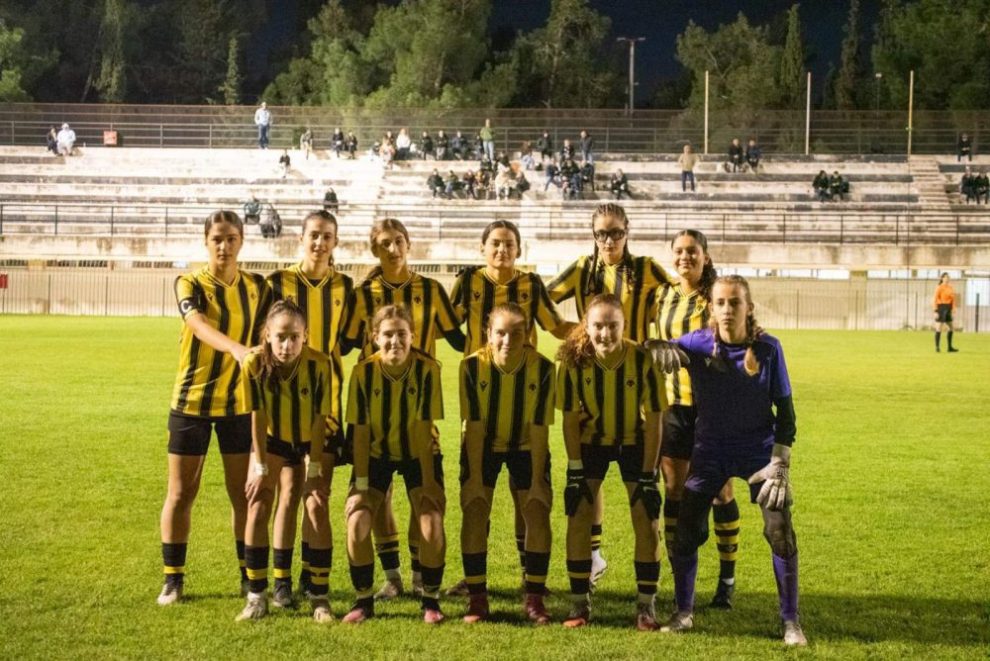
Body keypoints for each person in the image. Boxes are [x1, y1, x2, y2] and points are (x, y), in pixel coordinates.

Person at [656, 274, 806, 647]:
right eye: (720, 302)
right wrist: (654, 346)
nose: (727, 309)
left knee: (780, 531)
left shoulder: (769, 349)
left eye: (735, 302)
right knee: (686, 531)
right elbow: (664, 348)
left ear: (748, 307)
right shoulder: (697, 343)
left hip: (760, 456)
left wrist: (780, 465)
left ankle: (791, 622)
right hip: (709, 454)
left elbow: (786, 415)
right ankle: (683, 612)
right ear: (711, 307)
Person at [548, 203, 675, 588]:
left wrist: (659, 339)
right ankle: (593, 557)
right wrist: (578, 335)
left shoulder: (646, 269)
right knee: (590, 477)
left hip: (638, 379)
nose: (609, 240)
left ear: (627, 232)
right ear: (593, 235)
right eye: (602, 233)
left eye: (616, 232)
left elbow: (677, 298)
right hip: (592, 378)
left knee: (648, 489)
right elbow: (543, 300)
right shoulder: (581, 269)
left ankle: (664, 569)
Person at [341, 219, 465, 602]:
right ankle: (392, 576)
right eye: (384, 243)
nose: (393, 249)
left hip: (418, 398)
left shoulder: (431, 289)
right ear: (374, 249)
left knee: (421, 493)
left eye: (398, 241)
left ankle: (418, 575)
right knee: (377, 495)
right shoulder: (362, 294)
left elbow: (459, 339)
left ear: (409, 244)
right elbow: (343, 344)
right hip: (373, 402)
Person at [157, 210, 273, 606]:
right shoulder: (189, 281)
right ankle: (173, 579)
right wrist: (237, 349)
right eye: (217, 239)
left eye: (231, 238)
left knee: (242, 494)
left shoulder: (258, 286)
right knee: (181, 493)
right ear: (206, 242)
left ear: (242, 241)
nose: (224, 246)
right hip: (191, 402)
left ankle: (247, 576)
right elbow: (197, 324)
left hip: (238, 405)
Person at [556, 294, 665, 630]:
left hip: (634, 441)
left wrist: (648, 473)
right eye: (598, 326)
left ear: (624, 325)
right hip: (592, 441)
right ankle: (579, 602)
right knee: (578, 513)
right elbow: (569, 419)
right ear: (586, 327)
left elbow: (656, 418)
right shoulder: (573, 360)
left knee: (647, 516)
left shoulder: (642, 359)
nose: (605, 333)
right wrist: (575, 469)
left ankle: (646, 605)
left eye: (612, 326)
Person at [649, 230, 740, 610]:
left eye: (693, 251)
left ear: (705, 256)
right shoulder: (662, 295)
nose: (685, 257)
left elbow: (735, 340)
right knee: (675, 491)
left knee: (720, 491)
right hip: (673, 406)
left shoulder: (716, 295)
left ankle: (726, 581)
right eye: (679, 251)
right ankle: (679, 576)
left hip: (712, 408)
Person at [266, 210, 354, 604]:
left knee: (316, 495)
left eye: (327, 236)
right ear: (301, 238)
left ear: (335, 242)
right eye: (313, 235)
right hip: (283, 406)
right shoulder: (277, 282)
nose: (319, 243)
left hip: (327, 406)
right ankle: (281, 580)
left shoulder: (345, 286)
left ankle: (310, 576)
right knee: (287, 494)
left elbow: (347, 341)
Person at [342, 304, 447, 624]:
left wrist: (428, 483)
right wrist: (361, 486)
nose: (395, 341)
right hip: (376, 454)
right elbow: (360, 433)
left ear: (413, 336)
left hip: (419, 453)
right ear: (375, 337)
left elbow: (423, 429)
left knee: (431, 519)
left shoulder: (428, 369)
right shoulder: (363, 372)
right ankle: (363, 601)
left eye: (402, 334)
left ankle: (430, 600)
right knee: (357, 519)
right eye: (388, 334)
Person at [236, 299, 335, 623]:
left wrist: (315, 467)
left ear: (305, 335)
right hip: (272, 439)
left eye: (294, 337)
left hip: (308, 441)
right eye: (280, 337)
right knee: (259, 501)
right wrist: (260, 467)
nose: (287, 345)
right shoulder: (253, 363)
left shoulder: (319, 364)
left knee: (314, 504)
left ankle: (318, 596)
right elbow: (257, 416)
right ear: (267, 334)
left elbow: (320, 420)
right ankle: (257, 595)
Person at [457, 303, 556, 624]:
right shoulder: (472, 366)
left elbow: (539, 429)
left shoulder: (542, 368)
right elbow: (473, 427)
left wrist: (538, 480)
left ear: (527, 335)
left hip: (526, 444)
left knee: (537, 509)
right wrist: (474, 478)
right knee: (475, 508)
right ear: (488, 334)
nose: (507, 340)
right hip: (484, 444)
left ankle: (534, 598)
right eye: (500, 332)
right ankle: (477, 599)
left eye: (516, 332)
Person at [933, 272, 959, 353]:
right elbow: (935, 299)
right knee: (939, 328)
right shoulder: (939, 287)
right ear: (942, 278)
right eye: (945, 277)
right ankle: (937, 347)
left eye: (948, 277)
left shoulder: (951, 288)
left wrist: (953, 309)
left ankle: (949, 347)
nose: (947, 278)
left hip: (948, 308)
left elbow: (953, 299)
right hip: (941, 307)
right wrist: (935, 311)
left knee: (951, 328)